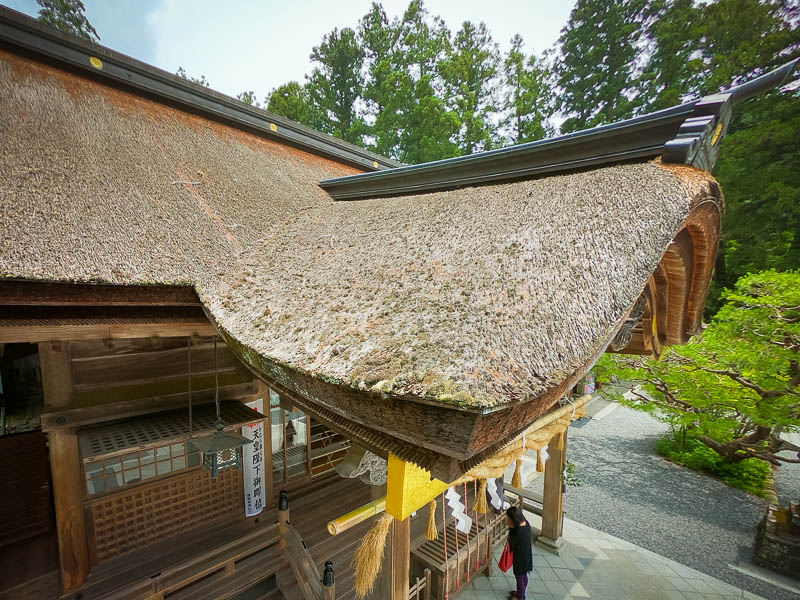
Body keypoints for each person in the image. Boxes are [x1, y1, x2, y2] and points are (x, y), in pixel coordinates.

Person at [506, 506, 533, 599]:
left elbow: (511, 541)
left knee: (519, 577)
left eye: (508, 519)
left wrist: (510, 528)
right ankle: (521, 592)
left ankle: (520, 597)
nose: (507, 521)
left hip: (520, 558)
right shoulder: (526, 524)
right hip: (526, 555)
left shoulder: (518, 531)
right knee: (523, 575)